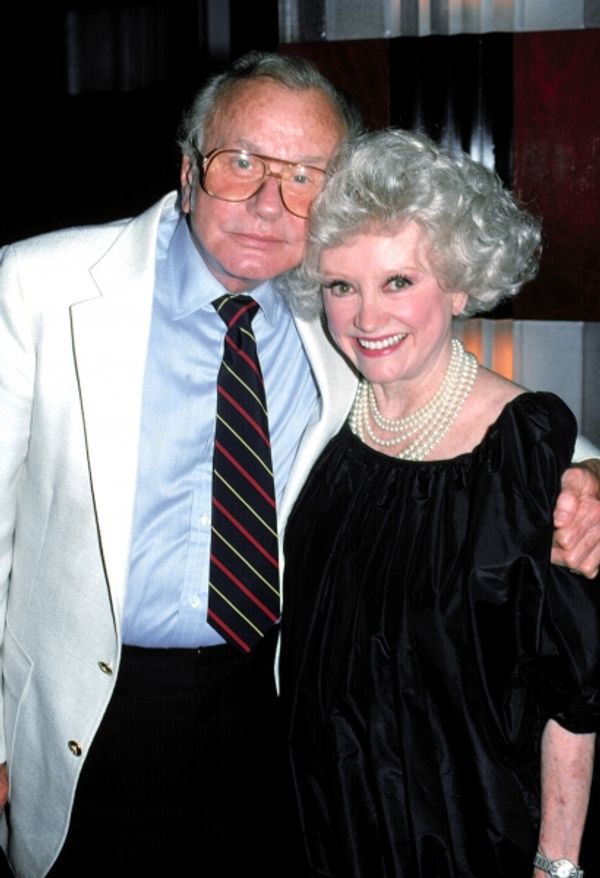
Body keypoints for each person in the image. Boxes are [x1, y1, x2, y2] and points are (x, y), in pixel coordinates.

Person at [0, 51, 598, 878]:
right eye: (240, 162)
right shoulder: (40, 285)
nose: (268, 201)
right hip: (92, 715)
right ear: (188, 169)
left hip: (271, 722)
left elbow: (479, 421)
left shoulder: (326, 308)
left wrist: (590, 478)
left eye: (304, 174)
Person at [279, 129, 600, 878]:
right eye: (341, 286)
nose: (365, 316)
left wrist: (557, 866)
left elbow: (573, 698)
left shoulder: (527, 455)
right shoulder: (325, 426)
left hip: (467, 840)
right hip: (324, 829)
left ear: (458, 284)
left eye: (399, 282)